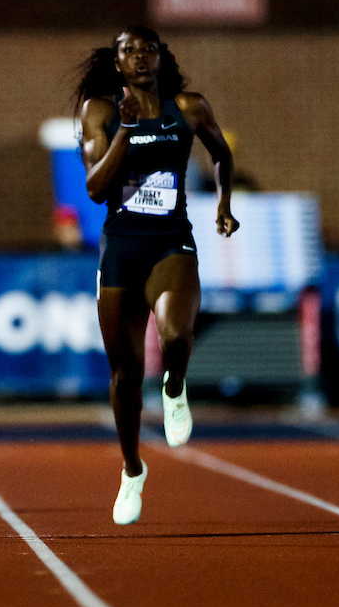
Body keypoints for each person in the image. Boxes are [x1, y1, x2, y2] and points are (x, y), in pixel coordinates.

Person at [76, 26, 239, 525]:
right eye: (130, 52)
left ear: (162, 59)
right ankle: (131, 470)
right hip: (122, 248)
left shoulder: (188, 108)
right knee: (124, 375)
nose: (141, 58)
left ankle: (174, 389)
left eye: (149, 50)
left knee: (176, 334)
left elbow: (222, 153)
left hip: (172, 242)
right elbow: (96, 189)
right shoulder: (99, 112)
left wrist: (224, 205)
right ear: (117, 63)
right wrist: (125, 131)